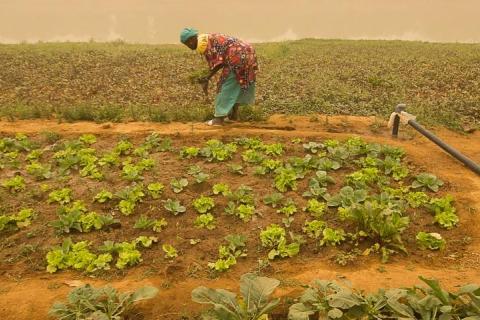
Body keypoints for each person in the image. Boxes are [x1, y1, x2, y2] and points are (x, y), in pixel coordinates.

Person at [180, 28, 258, 125]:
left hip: (237, 56)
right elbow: (219, 62)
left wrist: (206, 78)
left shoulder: (206, 44)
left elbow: (218, 63)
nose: (189, 46)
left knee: (224, 85)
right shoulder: (207, 39)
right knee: (238, 83)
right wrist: (207, 77)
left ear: (191, 40)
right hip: (248, 52)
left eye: (187, 44)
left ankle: (219, 119)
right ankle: (233, 115)